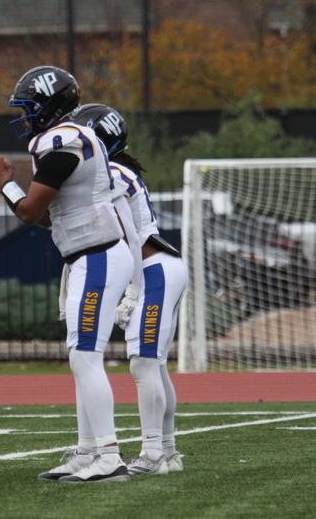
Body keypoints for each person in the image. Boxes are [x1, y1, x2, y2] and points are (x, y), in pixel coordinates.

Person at [0, 66, 134, 483]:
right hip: (92, 255)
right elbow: (48, 216)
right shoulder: (71, 139)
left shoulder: (62, 140)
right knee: (83, 357)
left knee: (84, 357)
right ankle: (88, 452)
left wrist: (3, 182)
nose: (24, 119)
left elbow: (27, 212)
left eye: (28, 109)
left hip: (97, 256)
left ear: (48, 107)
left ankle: (109, 455)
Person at [71, 103, 187, 475]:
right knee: (154, 366)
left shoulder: (112, 173)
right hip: (157, 269)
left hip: (152, 271)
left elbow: (131, 238)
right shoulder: (116, 170)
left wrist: (133, 291)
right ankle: (167, 452)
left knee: (143, 365)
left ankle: (154, 454)